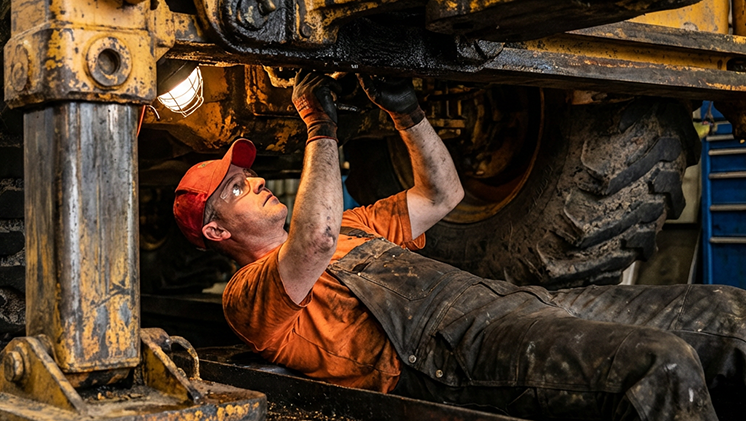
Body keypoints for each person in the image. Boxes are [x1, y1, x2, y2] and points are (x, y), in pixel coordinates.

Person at [173, 71, 746, 421]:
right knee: (660, 365)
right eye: (237, 188)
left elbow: (443, 193)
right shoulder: (247, 296)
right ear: (218, 231)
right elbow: (313, 240)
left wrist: (407, 112)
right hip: (455, 354)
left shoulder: (356, 224)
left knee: (730, 316)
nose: (257, 183)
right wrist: (320, 129)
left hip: (513, 302)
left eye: (249, 176)